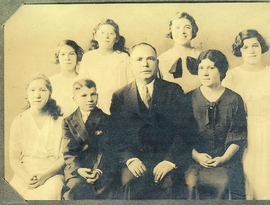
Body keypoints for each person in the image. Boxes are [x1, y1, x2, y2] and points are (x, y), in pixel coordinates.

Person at [110, 43, 190, 199]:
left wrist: (169, 161)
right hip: (135, 160)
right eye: (139, 59)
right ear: (131, 65)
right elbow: (115, 135)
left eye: (150, 59)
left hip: (166, 159)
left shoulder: (174, 91)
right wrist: (130, 159)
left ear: (157, 63)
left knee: (170, 183)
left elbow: (184, 131)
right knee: (128, 181)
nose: (145, 64)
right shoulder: (120, 96)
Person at [222, 29, 270, 200]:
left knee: (267, 187)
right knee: (244, 185)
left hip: (268, 137)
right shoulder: (232, 77)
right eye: (245, 47)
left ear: (261, 48)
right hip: (240, 137)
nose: (251, 50)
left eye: (255, 45)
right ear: (240, 50)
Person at [185, 50, 247, 199]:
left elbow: (238, 135)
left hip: (227, 160)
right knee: (191, 181)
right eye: (201, 68)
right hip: (194, 159)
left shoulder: (234, 98)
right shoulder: (188, 98)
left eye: (211, 68)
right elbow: (181, 135)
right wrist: (197, 156)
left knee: (225, 182)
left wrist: (224, 158)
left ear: (221, 70)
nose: (205, 73)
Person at [9, 74, 64, 200]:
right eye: (32, 90)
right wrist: (26, 178)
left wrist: (44, 176)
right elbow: (14, 159)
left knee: (47, 196)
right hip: (25, 174)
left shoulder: (60, 122)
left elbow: (63, 158)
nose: (37, 95)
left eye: (42, 90)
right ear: (27, 94)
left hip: (51, 174)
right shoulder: (19, 121)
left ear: (50, 94)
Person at [62, 79, 117, 200]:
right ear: (74, 99)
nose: (90, 99)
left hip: (101, 167)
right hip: (78, 169)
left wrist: (98, 170)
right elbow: (68, 152)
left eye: (93, 94)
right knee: (74, 188)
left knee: (104, 189)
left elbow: (106, 150)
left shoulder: (107, 119)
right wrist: (79, 169)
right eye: (84, 95)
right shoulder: (68, 121)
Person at [79, 19, 135, 115]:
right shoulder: (88, 57)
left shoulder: (123, 57)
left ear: (117, 38)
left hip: (120, 105)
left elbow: (132, 84)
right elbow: (83, 84)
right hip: (95, 105)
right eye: (102, 33)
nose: (106, 36)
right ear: (95, 36)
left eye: (111, 33)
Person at [158, 12, 201, 93]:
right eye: (177, 27)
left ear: (193, 30)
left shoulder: (202, 57)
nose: (182, 31)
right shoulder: (161, 60)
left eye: (187, 27)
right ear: (171, 31)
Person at [50, 39, 84, 117]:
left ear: (77, 56)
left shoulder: (83, 80)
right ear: (57, 57)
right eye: (63, 54)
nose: (67, 58)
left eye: (71, 54)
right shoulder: (51, 81)